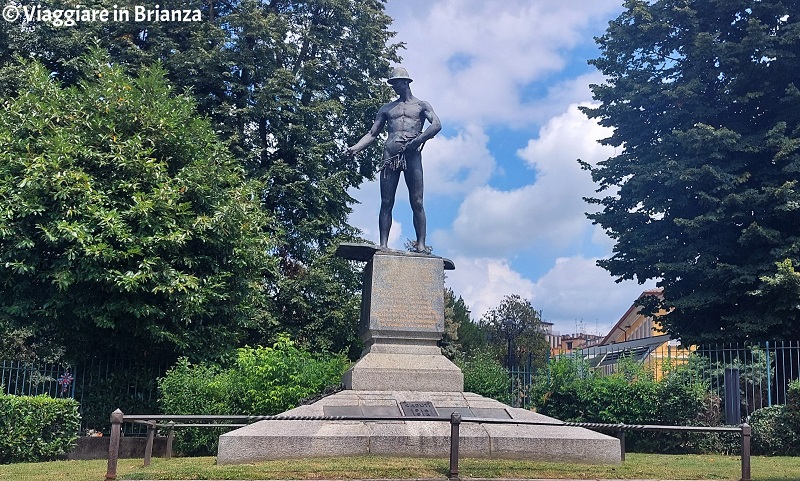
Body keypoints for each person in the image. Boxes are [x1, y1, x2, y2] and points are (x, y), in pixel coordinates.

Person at [347, 67, 441, 253]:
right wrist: (356, 148)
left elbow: (436, 125)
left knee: (417, 201)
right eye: (392, 84)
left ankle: (420, 245)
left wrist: (418, 141)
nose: (393, 87)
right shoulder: (387, 108)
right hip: (390, 155)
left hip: (412, 155)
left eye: (395, 83)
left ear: (405, 82)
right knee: (386, 201)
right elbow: (372, 133)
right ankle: (383, 244)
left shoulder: (421, 106)